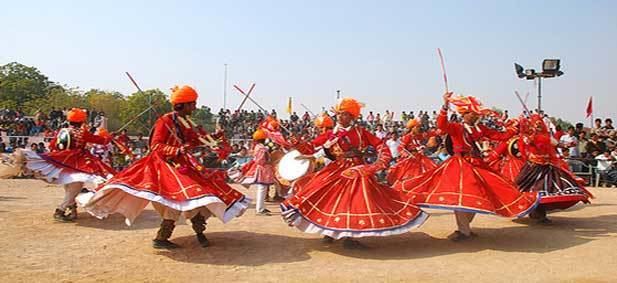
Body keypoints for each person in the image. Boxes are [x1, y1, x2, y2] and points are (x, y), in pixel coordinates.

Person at [84, 85, 249, 249]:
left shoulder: (186, 122)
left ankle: (199, 232)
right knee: (177, 200)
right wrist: (176, 149)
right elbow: (155, 145)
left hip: (183, 163)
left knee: (201, 195)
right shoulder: (164, 121)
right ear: (182, 105)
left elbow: (195, 140)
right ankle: (163, 237)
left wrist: (214, 137)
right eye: (192, 103)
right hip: (164, 164)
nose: (195, 107)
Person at [281, 97, 427, 249]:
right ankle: (330, 232)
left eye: (343, 113)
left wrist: (379, 163)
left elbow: (380, 145)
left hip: (358, 170)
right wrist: (297, 143)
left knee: (353, 202)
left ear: (351, 116)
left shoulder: (360, 132)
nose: (339, 117)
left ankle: (348, 236)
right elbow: (310, 148)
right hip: (337, 168)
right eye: (338, 114)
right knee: (330, 199)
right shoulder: (331, 135)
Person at [393, 93, 539, 242]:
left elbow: (499, 136)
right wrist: (445, 106)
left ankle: (464, 229)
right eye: (474, 114)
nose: (477, 116)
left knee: (482, 194)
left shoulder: (479, 128)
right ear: (466, 114)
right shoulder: (456, 127)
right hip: (459, 166)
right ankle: (464, 230)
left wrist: (515, 127)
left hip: (477, 165)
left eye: (477, 114)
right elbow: (441, 125)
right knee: (461, 197)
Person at [21, 108, 115, 222]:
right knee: (75, 188)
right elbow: (101, 141)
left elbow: (52, 145)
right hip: (78, 163)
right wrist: (110, 137)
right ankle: (60, 210)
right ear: (81, 122)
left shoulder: (62, 131)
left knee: (69, 188)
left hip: (63, 161)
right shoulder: (82, 132)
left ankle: (72, 209)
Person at [516, 114, 592, 224]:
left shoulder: (547, 137)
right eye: (536, 125)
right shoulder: (528, 137)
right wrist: (528, 135)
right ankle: (529, 211)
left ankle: (540, 215)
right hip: (532, 167)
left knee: (545, 190)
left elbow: (559, 145)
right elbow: (524, 142)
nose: (538, 127)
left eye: (540, 124)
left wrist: (568, 145)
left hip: (546, 167)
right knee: (524, 188)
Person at [237, 129, 276, 215]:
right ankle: (260, 209)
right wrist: (269, 160)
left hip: (262, 169)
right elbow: (261, 160)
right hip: (264, 170)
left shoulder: (258, 147)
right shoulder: (262, 148)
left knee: (262, 189)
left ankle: (261, 207)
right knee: (262, 189)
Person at [387, 119, 437, 185]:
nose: (419, 129)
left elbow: (427, 138)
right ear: (412, 128)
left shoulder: (419, 136)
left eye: (419, 127)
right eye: (417, 127)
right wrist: (407, 154)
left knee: (431, 169)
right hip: (410, 159)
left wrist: (425, 146)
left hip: (420, 157)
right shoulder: (407, 137)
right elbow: (400, 148)